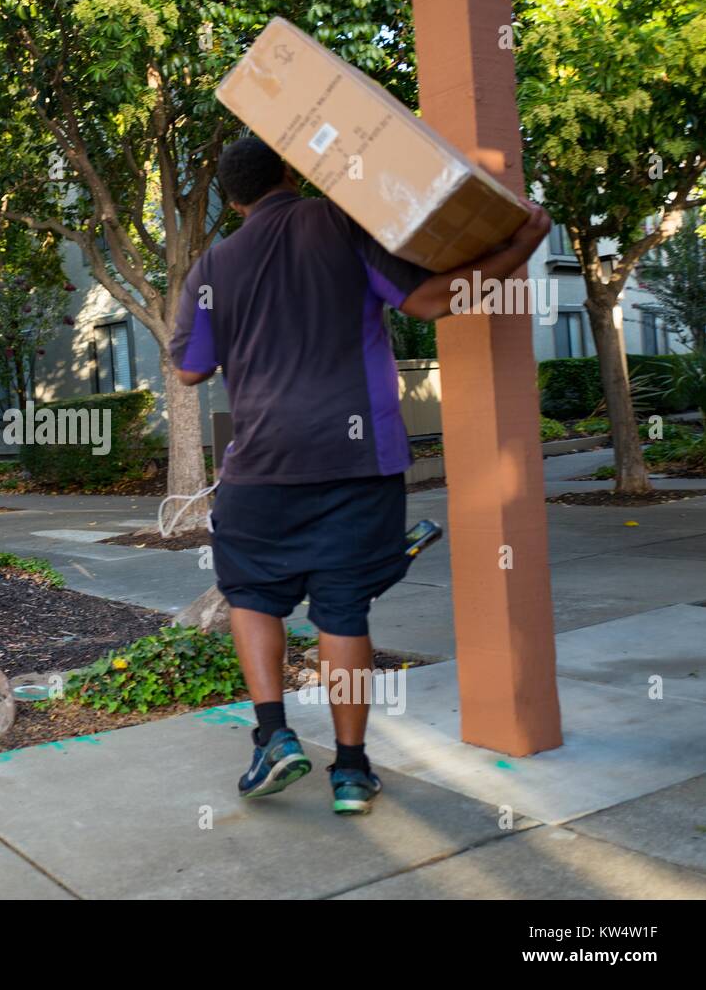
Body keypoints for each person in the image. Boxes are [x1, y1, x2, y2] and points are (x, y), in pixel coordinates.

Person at [169, 137, 550, 814]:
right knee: (343, 611)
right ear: (289, 171)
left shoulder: (211, 265)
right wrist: (516, 248)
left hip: (259, 469)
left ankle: (273, 735)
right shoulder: (341, 223)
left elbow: (192, 367)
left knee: (253, 594)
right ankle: (349, 771)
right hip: (357, 462)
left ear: (231, 199)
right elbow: (431, 301)